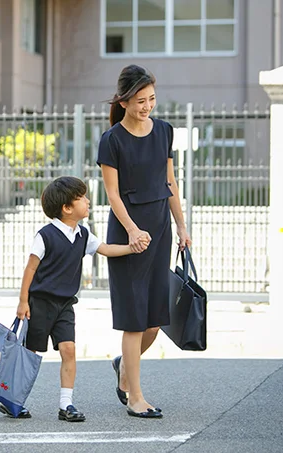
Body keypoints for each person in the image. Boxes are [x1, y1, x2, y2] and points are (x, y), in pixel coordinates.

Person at [2, 176, 148, 422]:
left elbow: (106, 249)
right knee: (30, 353)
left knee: (68, 350)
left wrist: (132, 247)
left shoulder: (83, 234)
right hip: (40, 303)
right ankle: (12, 400)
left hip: (65, 304)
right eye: (82, 198)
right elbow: (30, 269)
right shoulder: (45, 236)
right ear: (67, 208)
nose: (88, 201)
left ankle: (66, 405)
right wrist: (23, 301)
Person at [96, 64, 192, 419]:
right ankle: (135, 397)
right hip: (128, 234)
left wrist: (181, 225)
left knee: (154, 321)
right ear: (123, 101)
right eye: (139, 100)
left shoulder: (165, 131)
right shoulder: (112, 140)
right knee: (134, 320)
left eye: (151, 99)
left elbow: (170, 182)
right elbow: (113, 195)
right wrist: (133, 230)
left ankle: (124, 366)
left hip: (160, 231)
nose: (147, 106)